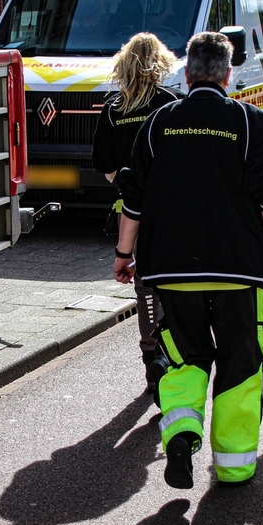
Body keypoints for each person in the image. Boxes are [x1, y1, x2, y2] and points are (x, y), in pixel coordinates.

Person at [113, 32, 263, 489]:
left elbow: (133, 196)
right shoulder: (250, 121)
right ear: (228, 75)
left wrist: (124, 254)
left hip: (172, 270)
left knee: (184, 358)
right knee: (241, 365)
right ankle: (234, 468)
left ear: (188, 74)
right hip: (239, 270)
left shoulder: (160, 123)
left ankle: (181, 434)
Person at [93, 33, 183, 392]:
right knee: (175, 283)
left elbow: (103, 163)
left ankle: (150, 359)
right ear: (160, 64)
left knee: (144, 285)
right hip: (171, 210)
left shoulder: (114, 110)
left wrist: (125, 184)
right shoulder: (171, 104)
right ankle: (171, 350)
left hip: (131, 210)